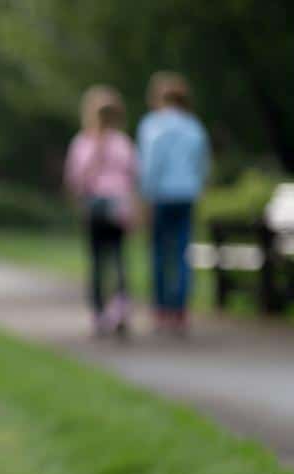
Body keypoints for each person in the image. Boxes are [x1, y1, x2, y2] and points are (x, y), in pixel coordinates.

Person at [137, 71, 210, 335]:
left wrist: (145, 196)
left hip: (161, 195)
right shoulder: (194, 126)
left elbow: (150, 164)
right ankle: (179, 309)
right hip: (186, 194)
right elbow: (202, 165)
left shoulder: (152, 125)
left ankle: (161, 309)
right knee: (181, 252)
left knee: (159, 253)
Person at [64, 85, 139, 337]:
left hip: (116, 204)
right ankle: (99, 311)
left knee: (117, 259)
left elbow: (131, 175)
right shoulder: (84, 142)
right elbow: (77, 177)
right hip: (95, 204)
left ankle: (119, 309)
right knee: (97, 261)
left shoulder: (121, 143)